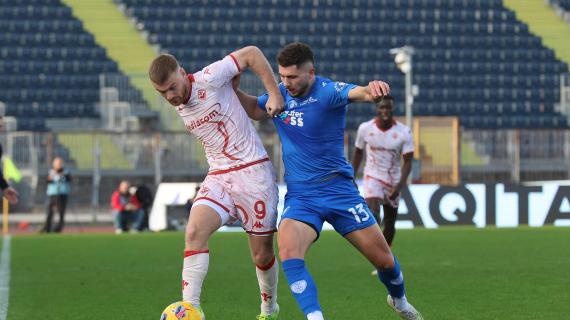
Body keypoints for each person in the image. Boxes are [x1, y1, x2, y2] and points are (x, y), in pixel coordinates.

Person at [235, 42, 423, 320]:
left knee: (384, 260)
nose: (286, 83)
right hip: (302, 197)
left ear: (311, 72)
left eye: (292, 77)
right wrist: (228, 87)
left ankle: (400, 302)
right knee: (288, 251)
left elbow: (360, 92)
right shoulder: (280, 95)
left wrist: (374, 89)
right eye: (282, 76)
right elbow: (253, 108)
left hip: (339, 192)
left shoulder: (328, 92)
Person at [148, 45, 284, 320]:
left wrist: (273, 93)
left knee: (261, 255)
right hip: (219, 175)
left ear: (183, 74)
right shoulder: (180, 102)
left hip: (253, 172)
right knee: (194, 230)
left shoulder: (209, 77)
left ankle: (269, 308)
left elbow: (252, 54)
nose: (171, 96)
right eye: (163, 93)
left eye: (173, 87)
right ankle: (190, 309)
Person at [351, 96, 414, 249]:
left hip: (393, 179)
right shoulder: (365, 128)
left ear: (392, 109)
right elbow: (358, 153)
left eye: (388, 108)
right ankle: (373, 243)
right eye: (382, 107)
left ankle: (386, 254)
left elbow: (408, 162)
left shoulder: (404, 132)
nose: (385, 111)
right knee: (372, 210)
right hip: (372, 175)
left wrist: (399, 186)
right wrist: (351, 175)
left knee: (390, 223)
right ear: (377, 109)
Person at [42, 157, 71, 233]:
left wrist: (61, 174)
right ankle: (47, 228)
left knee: (61, 212)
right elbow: (48, 181)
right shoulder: (51, 171)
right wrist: (54, 175)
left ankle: (58, 228)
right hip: (53, 194)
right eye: (57, 163)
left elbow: (68, 179)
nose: (59, 165)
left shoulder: (66, 172)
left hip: (62, 194)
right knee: (50, 212)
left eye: (60, 163)